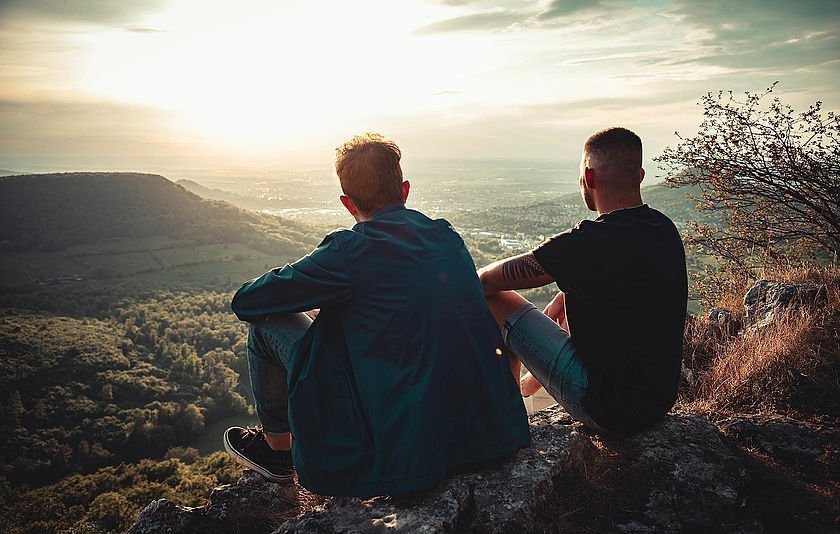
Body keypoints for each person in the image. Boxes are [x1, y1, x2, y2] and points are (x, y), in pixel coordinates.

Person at [225, 133, 530, 497]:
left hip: (407, 451)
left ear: (347, 203)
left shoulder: (347, 252)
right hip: (490, 433)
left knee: (266, 325)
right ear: (404, 190)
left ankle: (277, 453)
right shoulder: (446, 236)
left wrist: (316, 292)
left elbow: (247, 301)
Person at [478, 127, 687, 436]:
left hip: (606, 408)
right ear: (640, 175)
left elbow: (484, 281)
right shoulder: (663, 229)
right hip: (656, 403)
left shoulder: (585, 243)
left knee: (497, 300)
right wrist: (567, 294)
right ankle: (526, 390)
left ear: (588, 178)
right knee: (566, 298)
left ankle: (506, 420)